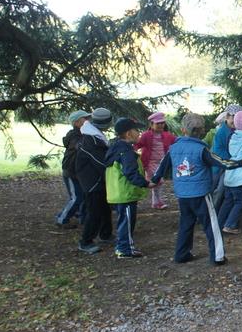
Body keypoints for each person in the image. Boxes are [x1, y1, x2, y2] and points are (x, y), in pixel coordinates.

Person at [152, 113, 242, 266]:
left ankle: (181, 254)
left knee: (186, 224)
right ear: (201, 131)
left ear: (183, 130)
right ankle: (217, 257)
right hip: (200, 194)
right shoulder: (202, 150)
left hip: (182, 194)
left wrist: (153, 181)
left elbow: (162, 166)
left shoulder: (173, 148)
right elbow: (222, 162)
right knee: (211, 225)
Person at [105, 118, 152, 259]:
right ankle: (125, 249)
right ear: (128, 133)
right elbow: (130, 171)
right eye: (136, 130)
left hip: (118, 192)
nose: (139, 133)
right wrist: (145, 183)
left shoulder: (116, 148)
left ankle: (123, 246)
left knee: (124, 220)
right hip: (125, 192)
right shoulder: (125, 151)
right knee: (127, 221)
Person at [75, 107, 114, 254]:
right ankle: (85, 241)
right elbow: (101, 163)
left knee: (105, 209)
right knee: (94, 212)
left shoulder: (94, 136)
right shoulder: (91, 140)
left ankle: (105, 234)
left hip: (99, 181)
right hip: (92, 183)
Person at [134, 111, 176, 210]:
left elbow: (176, 141)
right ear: (151, 124)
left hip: (161, 163)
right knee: (158, 181)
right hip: (150, 163)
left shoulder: (167, 135)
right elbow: (137, 145)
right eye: (158, 123)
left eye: (162, 123)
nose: (161, 125)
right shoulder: (146, 135)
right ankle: (158, 201)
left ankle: (155, 202)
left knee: (157, 183)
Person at [56, 110, 90, 229]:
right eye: (85, 119)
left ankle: (83, 218)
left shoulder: (83, 133)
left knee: (83, 196)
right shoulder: (75, 135)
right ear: (76, 122)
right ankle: (62, 219)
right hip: (70, 172)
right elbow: (78, 146)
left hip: (79, 172)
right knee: (76, 198)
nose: (88, 121)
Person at [211, 104, 242, 209]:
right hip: (218, 165)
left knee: (221, 189)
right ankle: (209, 212)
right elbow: (219, 150)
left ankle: (215, 211)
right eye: (232, 118)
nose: (235, 121)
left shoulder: (236, 131)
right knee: (214, 188)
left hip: (229, 165)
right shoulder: (222, 132)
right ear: (227, 117)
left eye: (237, 118)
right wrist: (232, 158)